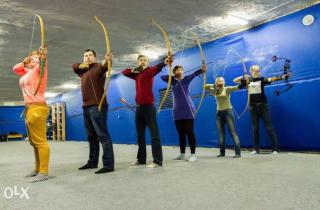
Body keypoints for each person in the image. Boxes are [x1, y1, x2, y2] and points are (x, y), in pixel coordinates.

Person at [122, 54, 173, 168]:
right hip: (139, 107)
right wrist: (135, 70)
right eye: (141, 60)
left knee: (154, 134)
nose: (143, 61)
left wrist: (165, 62)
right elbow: (124, 72)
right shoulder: (136, 75)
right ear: (137, 63)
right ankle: (141, 159)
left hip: (149, 107)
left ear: (148, 63)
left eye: (145, 60)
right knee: (140, 135)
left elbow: (157, 68)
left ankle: (157, 161)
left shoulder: (150, 71)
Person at [72, 49, 114, 174]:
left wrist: (107, 60)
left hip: (98, 106)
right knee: (91, 136)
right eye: (85, 56)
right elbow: (73, 66)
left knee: (102, 135)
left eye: (90, 55)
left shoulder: (97, 68)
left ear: (95, 58)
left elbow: (104, 66)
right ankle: (92, 162)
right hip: (86, 107)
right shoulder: (82, 71)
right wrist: (80, 65)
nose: (88, 57)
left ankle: (108, 165)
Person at [13, 46, 50, 182]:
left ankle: (44, 172)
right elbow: (16, 69)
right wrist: (24, 62)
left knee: (40, 142)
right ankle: (37, 169)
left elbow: (43, 63)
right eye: (31, 57)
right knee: (34, 142)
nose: (33, 59)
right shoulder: (27, 71)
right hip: (29, 109)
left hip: (38, 108)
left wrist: (43, 56)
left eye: (35, 57)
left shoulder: (39, 70)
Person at [233, 64, 290, 154]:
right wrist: (245, 76)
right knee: (255, 129)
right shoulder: (247, 80)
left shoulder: (261, 79)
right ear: (251, 71)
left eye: (258, 70)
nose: (258, 72)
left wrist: (281, 77)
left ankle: (275, 149)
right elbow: (235, 81)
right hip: (253, 107)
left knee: (269, 127)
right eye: (255, 71)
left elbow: (271, 79)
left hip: (263, 106)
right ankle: (256, 149)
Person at [160, 64, 206, 161]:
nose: (180, 71)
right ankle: (182, 154)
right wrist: (174, 77)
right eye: (178, 70)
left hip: (188, 109)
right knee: (181, 133)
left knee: (189, 132)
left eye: (181, 70)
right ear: (174, 72)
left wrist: (202, 70)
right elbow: (162, 77)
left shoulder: (186, 80)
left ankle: (193, 155)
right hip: (177, 111)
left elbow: (194, 74)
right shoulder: (172, 82)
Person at [205, 77, 243, 158]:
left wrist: (244, 81)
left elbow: (239, 87)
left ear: (224, 82)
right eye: (219, 81)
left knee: (233, 132)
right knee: (221, 133)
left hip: (228, 112)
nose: (221, 82)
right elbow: (205, 86)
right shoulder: (214, 90)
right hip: (219, 113)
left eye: (222, 81)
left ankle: (238, 153)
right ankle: (222, 153)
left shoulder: (227, 89)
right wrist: (215, 85)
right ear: (216, 82)